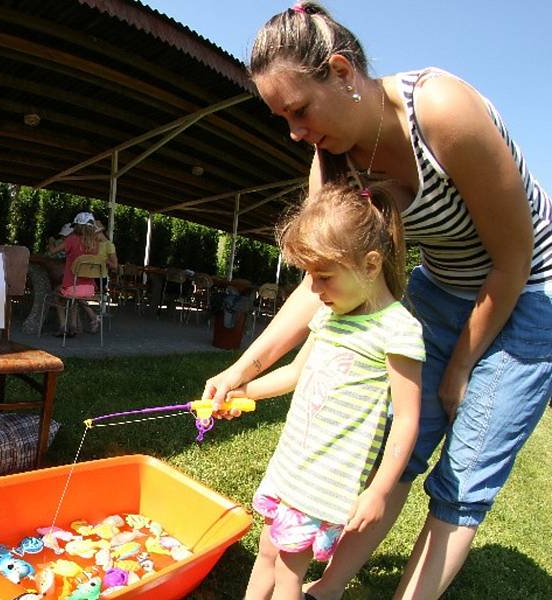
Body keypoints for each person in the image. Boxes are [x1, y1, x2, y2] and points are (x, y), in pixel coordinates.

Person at [204, 3, 552, 599]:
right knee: (397, 450)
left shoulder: (442, 112)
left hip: (528, 291)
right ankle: (327, 589)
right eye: (282, 118)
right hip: (442, 285)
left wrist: (461, 365)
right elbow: (318, 286)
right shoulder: (332, 160)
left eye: (299, 110)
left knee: (463, 477)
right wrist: (242, 369)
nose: (294, 131)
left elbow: (512, 260)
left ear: (342, 72)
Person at [237, 181, 424, 600]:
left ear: (371, 265)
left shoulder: (398, 330)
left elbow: (409, 419)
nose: (315, 291)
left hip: (324, 481)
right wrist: (241, 393)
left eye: (324, 277)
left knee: (288, 570)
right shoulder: (330, 316)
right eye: (309, 277)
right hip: (292, 466)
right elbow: (295, 374)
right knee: (267, 549)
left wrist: (378, 491)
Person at [46, 211, 100, 336]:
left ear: (77, 226)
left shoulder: (71, 239)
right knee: (74, 297)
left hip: (72, 287)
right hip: (90, 289)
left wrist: (50, 241)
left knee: (57, 294)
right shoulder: (95, 244)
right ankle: (75, 326)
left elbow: (52, 252)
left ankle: (63, 326)